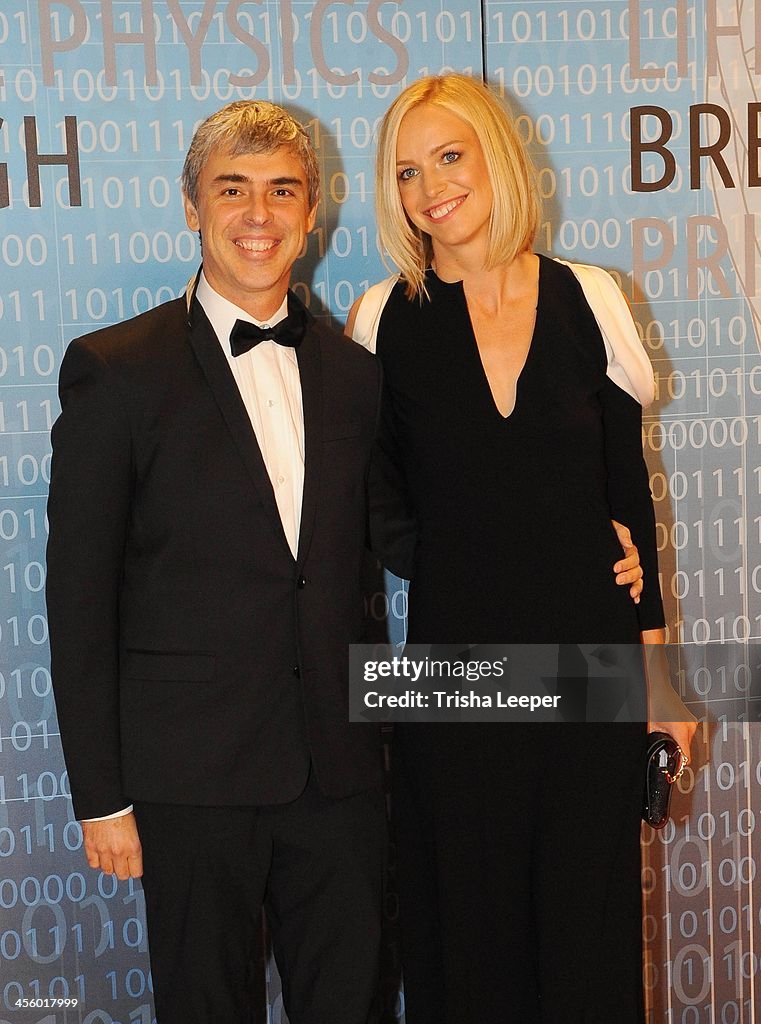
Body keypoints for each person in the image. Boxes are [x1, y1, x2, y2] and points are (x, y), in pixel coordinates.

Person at [348, 74, 696, 1024]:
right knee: (465, 946)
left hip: (586, 675)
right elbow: (378, 513)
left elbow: (630, 504)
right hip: (454, 679)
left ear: (497, 156)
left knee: (585, 948)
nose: (430, 190)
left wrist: (660, 692)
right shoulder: (381, 319)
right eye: (408, 171)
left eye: (449, 157)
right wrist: (487, 547)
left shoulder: (593, 298)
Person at [46, 101, 387, 1024]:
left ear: (313, 212)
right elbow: (79, 600)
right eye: (231, 189)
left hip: (343, 776)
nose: (258, 215)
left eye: (282, 191)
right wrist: (101, 798)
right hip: (189, 779)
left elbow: (393, 550)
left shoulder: (358, 376)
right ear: (191, 206)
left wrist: (590, 542)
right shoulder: (116, 370)